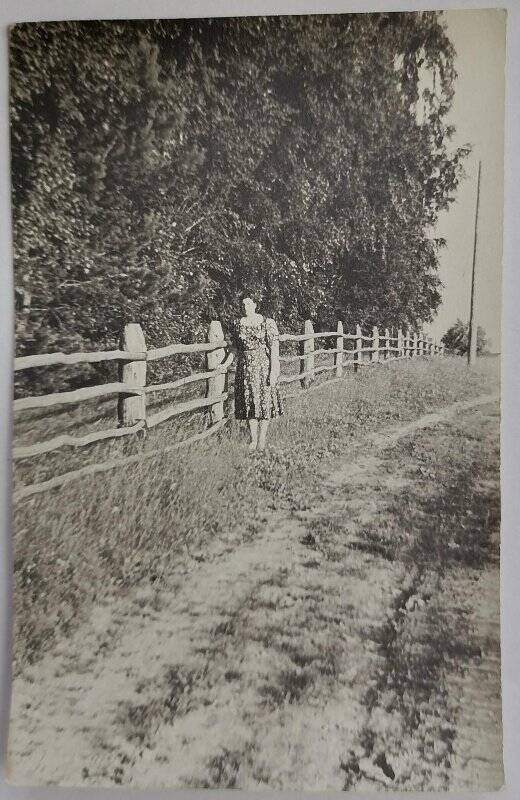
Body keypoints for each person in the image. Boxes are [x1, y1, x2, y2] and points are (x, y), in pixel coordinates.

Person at [233, 297, 283, 451]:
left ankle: (262, 439)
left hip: (263, 367)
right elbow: (235, 349)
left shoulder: (266, 322)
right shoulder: (238, 324)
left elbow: (274, 347)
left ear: (255, 305)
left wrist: (274, 370)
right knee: (250, 403)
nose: (245, 306)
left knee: (265, 401)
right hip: (245, 368)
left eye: (248, 303)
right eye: (243, 304)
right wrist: (225, 364)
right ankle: (253, 440)